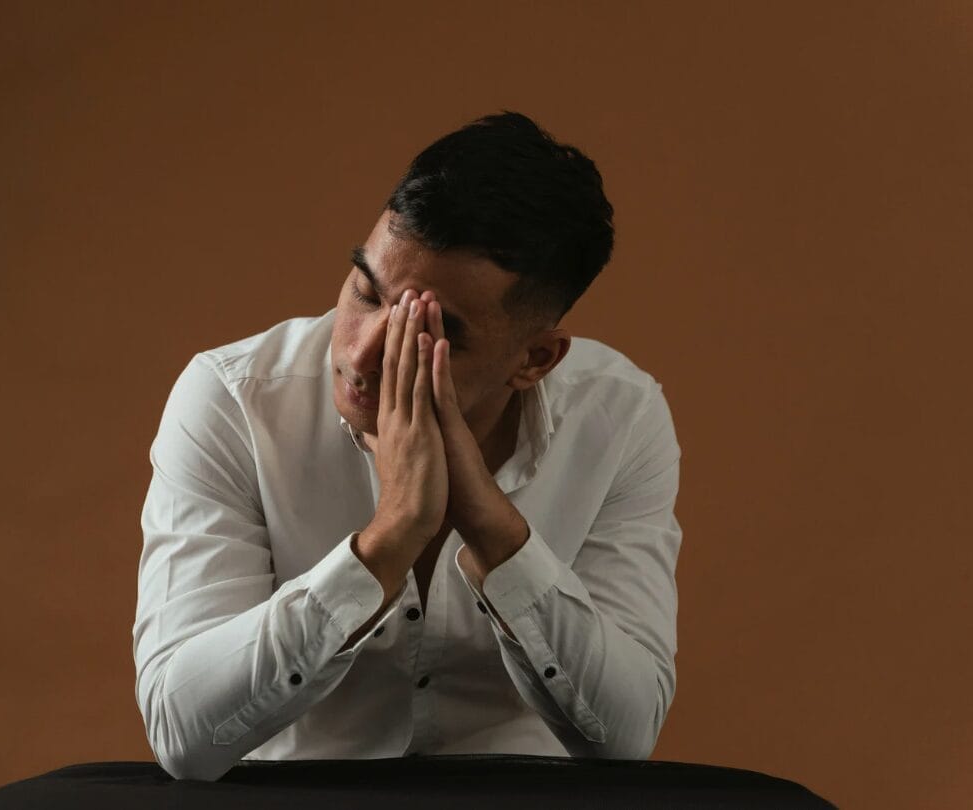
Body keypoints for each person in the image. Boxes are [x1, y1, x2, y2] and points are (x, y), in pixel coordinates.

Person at [131, 111, 683, 781]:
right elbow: (182, 735)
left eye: (431, 333)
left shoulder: (620, 417)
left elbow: (624, 738)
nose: (362, 353)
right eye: (365, 292)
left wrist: (495, 530)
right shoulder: (234, 400)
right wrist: (389, 539)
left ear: (535, 359)